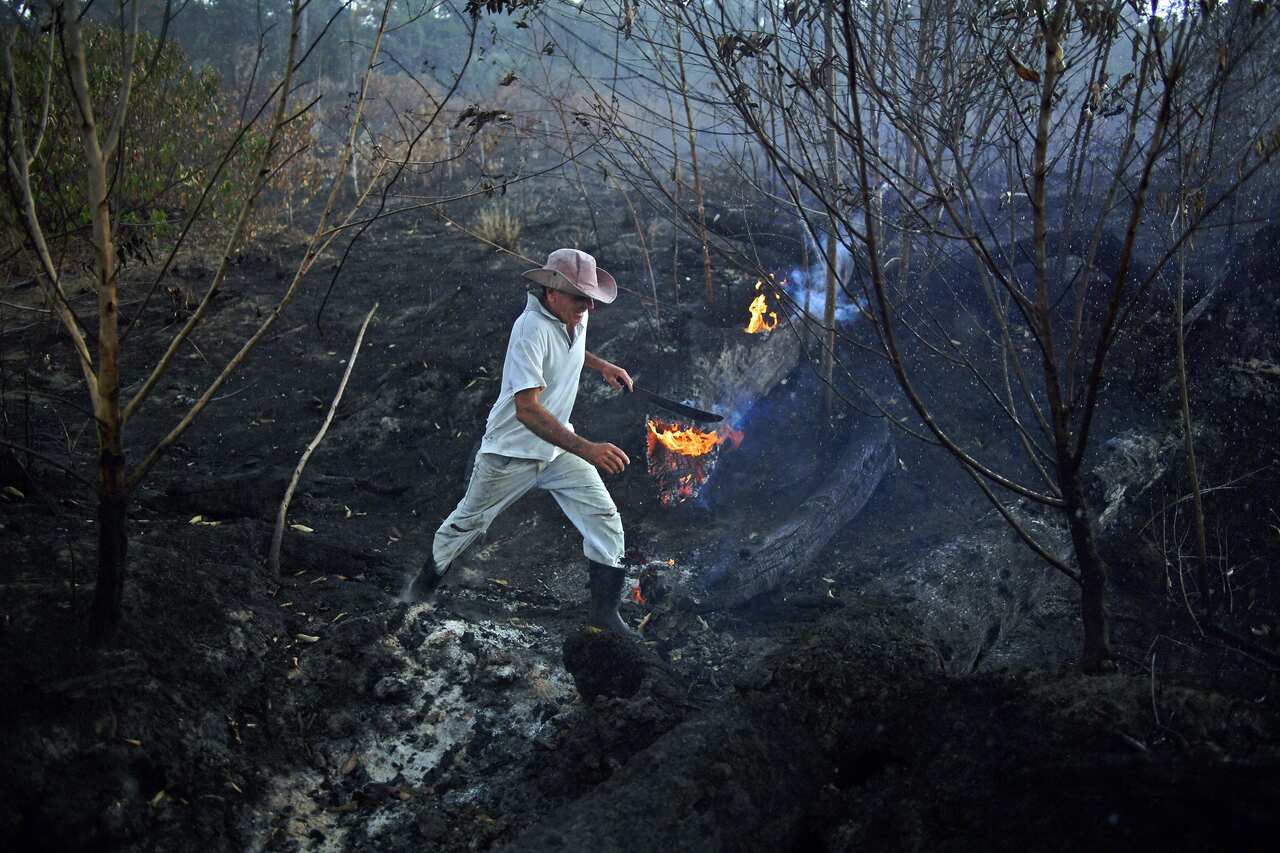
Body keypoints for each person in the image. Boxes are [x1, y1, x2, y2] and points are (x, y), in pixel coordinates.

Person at [408, 248, 636, 636]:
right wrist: (588, 449)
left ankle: (605, 614)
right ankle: (416, 594)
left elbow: (571, 346)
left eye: (591, 299)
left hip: (558, 447)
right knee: (468, 524)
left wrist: (602, 366)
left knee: (604, 519)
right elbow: (527, 410)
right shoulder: (529, 329)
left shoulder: (573, 316)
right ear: (552, 292)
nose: (588, 308)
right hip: (511, 453)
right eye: (581, 298)